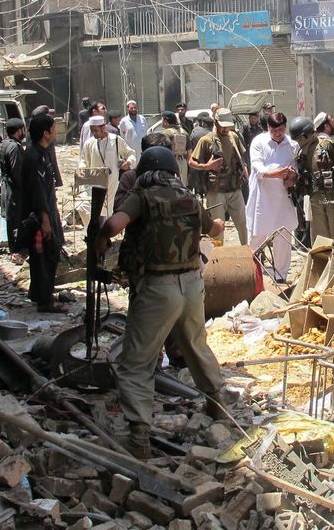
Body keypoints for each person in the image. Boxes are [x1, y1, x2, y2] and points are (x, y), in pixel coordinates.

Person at [95, 146, 234, 458]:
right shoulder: (187, 196)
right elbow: (214, 229)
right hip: (192, 284)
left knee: (136, 361)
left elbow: (113, 225)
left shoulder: (143, 196)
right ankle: (217, 407)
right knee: (196, 345)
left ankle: (139, 436)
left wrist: (101, 240)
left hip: (157, 288)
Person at [20, 114, 65, 312]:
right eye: (54, 128)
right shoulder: (33, 156)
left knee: (50, 253)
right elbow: (37, 191)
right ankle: (45, 301)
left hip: (48, 210)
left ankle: (38, 292)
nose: (56, 131)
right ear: (45, 133)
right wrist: (45, 219)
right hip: (40, 216)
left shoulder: (44, 152)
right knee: (45, 256)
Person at [246, 112, 298, 280]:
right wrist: (279, 172)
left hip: (283, 196)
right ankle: (251, 272)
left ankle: (280, 274)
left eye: (281, 130)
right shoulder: (258, 142)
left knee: (283, 235)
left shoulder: (292, 144)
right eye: (274, 130)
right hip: (262, 196)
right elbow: (259, 170)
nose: (278, 134)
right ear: (268, 128)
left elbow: (295, 168)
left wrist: (292, 177)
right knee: (257, 234)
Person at [290, 116, 334, 251]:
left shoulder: (326, 145)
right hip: (316, 200)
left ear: (308, 134)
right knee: (321, 240)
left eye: (300, 138)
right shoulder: (301, 153)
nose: (299, 142)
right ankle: (325, 269)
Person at [190, 109, 249, 246]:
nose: (225, 129)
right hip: (216, 191)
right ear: (215, 122)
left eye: (227, 126)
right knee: (218, 229)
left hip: (235, 188)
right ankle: (218, 258)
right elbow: (192, 162)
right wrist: (207, 166)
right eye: (222, 125)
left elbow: (242, 157)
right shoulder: (206, 140)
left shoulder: (233, 137)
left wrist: (244, 168)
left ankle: (247, 253)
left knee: (243, 224)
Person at [77, 114, 135, 221]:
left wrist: (128, 162)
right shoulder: (89, 143)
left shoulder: (116, 140)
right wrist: (82, 168)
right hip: (95, 182)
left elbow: (131, 153)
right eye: (92, 130)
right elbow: (83, 159)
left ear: (103, 128)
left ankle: (106, 233)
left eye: (96, 130)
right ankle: (95, 233)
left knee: (110, 208)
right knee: (92, 209)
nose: (93, 133)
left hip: (112, 181)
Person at [0, 118, 26, 256]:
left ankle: (13, 248)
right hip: (13, 189)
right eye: (23, 129)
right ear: (18, 130)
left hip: (6, 187)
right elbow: (17, 172)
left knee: (11, 218)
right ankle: (17, 250)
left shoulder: (3, 144)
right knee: (16, 219)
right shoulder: (15, 147)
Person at [187, 113, 214, 197]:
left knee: (198, 181)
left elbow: (190, 145)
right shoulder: (214, 134)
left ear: (203, 123)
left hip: (197, 161)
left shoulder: (195, 132)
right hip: (211, 162)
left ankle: (199, 195)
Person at [160, 111, 190, 184]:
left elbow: (161, 151)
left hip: (170, 162)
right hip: (183, 162)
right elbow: (189, 152)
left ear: (165, 121)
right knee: (182, 185)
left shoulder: (165, 133)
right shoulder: (184, 132)